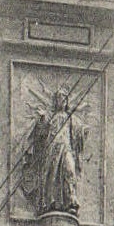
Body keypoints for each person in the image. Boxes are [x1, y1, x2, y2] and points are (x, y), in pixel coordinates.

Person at [22, 87, 87, 217]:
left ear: (67, 101)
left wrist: (83, 130)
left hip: (66, 148)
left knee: (69, 171)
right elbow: (41, 134)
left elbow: (78, 132)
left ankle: (71, 202)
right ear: (55, 101)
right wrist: (41, 120)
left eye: (64, 98)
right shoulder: (50, 118)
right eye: (59, 98)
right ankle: (50, 203)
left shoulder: (71, 118)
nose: (61, 101)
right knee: (51, 176)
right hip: (51, 150)